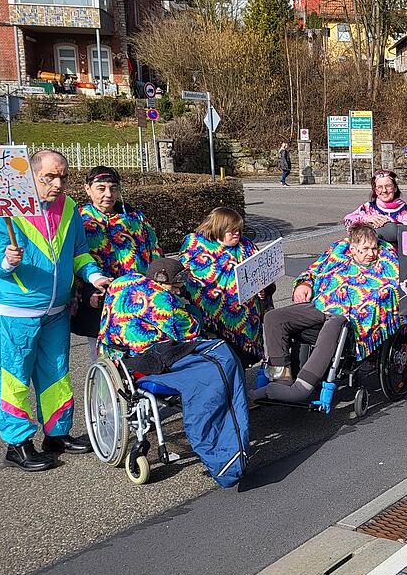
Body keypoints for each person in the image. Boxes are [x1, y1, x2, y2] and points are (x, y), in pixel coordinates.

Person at [0, 150, 111, 471]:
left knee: (56, 374)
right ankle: (17, 444)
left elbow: (79, 253)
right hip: (16, 310)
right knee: (15, 377)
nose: (58, 183)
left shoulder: (69, 207)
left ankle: (57, 434)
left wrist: (94, 276)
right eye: (50, 177)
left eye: (64, 176)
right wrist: (4, 262)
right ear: (30, 176)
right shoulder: (4, 211)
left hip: (56, 309)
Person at [98, 257, 250, 488]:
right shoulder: (161, 300)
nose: (180, 289)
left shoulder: (123, 282)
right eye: (177, 285)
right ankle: (221, 449)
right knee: (219, 363)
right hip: (150, 359)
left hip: (117, 356)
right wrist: (187, 307)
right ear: (164, 282)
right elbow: (190, 330)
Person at [256, 224, 405, 404]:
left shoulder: (385, 259)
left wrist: (371, 299)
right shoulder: (337, 254)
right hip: (322, 303)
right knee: (274, 317)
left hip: (352, 316)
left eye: (374, 248)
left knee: (334, 326)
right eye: (365, 249)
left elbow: (394, 284)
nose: (371, 253)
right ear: (352, 249)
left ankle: (301, 388)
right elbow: (312, 271)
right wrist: (304, 284)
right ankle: (282, 378)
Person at [72, 166, 162, 361]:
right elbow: (71, 259)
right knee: (103, 357)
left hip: (137, 296)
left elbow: (154, 250)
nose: (108, 194)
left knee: (139, 351)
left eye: (113, 188)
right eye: (101, 188)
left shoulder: (135, 217)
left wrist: (159, 282)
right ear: (87, 189)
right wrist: (85, 292)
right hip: (100, 298)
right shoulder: (78, 219)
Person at [180, 207, 271, 365]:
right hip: (213, 318)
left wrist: (263, 289)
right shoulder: (196, 246)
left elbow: (262, 272)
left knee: (243, 360)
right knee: (221, 360)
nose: (237, 233)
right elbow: (186, 278)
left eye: (239, 230)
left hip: (246, 319)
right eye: (232, 230)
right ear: (218, 228)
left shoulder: (247, 246)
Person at [343, 170, 407, 243]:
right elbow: (347, 220)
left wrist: (390, 221)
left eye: (388, 186)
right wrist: (366, 218)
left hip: (396, 252)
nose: (384, 190)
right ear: (375, 191)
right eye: (379, 187)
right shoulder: (368, 207)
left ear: (395, 188)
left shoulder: (406, 209)